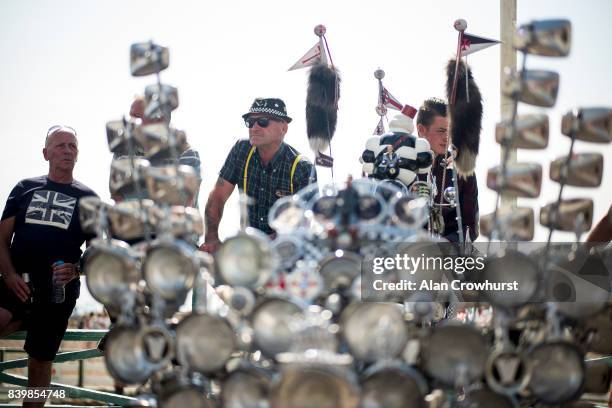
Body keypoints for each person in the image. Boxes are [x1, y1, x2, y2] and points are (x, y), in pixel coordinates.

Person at [0, 125, 98, 408]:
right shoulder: (24, 188)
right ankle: (25, 318)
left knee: (40, 365)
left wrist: (77, 269)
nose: (67, 150)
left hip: (58, 293)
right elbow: (1, 239)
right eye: (60, 145)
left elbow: (97, 252)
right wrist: (8, 275)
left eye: (72, 146)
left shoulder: (89, 199)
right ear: (46, 153)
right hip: (16, 283)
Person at [201, 97, 317, 253]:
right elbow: (218, 196)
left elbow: (300, 225)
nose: (254, 127)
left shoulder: (302, 168)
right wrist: (211, 238)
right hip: (247, 253)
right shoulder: (240, 150)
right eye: (250, 121)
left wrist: (256, 247)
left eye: (262, 121)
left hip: (285, 254)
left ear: (283, 128)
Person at [416, 97, 479, 242]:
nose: (447, 137)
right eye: (441, 131)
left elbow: (471, 227)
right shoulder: (403, 166)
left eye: (450, 131)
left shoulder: (463, 169)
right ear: (421, 130)